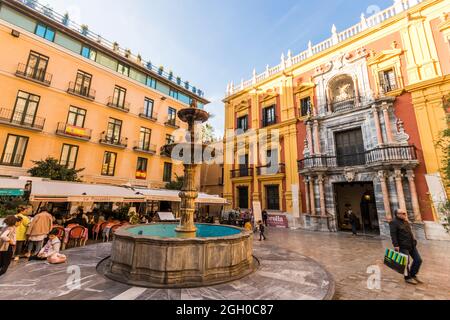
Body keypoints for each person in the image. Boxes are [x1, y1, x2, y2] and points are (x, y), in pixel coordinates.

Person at [389, 209, 423, 285]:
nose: (405, 214)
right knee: (405, 262)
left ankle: (413, 274)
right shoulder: (393, 222)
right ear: (397, 214)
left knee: (418, 260)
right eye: (403, 213)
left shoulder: (405, 221)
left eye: (405, 213)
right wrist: (396, 245)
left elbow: (409, 232)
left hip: (411, 244)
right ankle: (407, 277)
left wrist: (414, 241)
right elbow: (393, 235)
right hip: (402, 246)